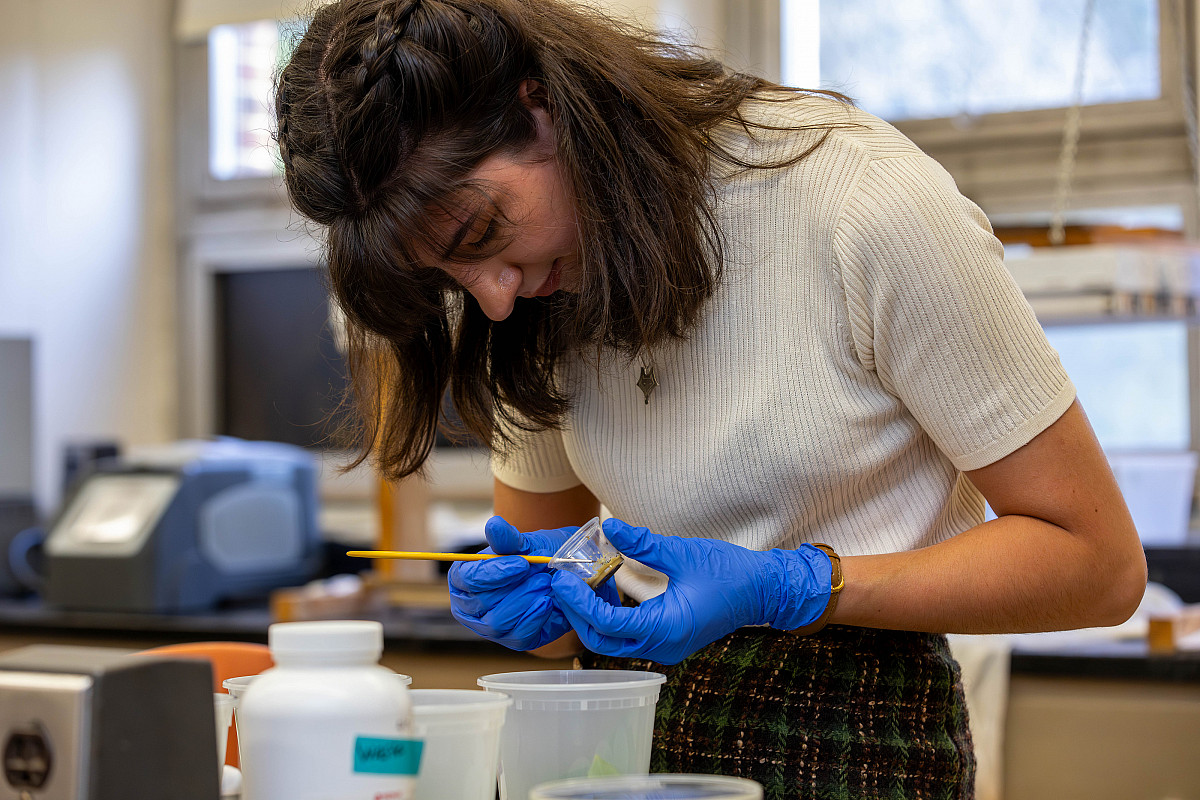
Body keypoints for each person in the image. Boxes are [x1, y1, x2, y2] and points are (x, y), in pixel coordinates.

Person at [274, 1, 1148, 797]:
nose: (494, 298)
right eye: (450, 274)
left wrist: (794, 585)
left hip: (854, 740)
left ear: (540, 105)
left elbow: (1098, 566)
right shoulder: (537, 286)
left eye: (485, 235)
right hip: (624, 747)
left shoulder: (857, 202)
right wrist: (542, 601)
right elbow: (562, 611)